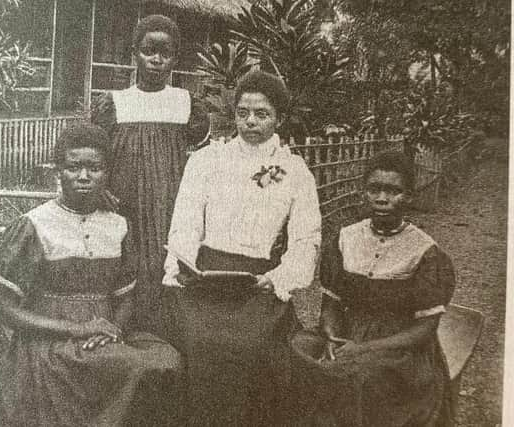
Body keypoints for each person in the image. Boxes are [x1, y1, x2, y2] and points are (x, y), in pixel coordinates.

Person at [0, 123, 183, 427]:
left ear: (107, 173)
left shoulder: (118, 225)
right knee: (136, 366)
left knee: (165, 359)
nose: (83, 177)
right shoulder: (35, 225)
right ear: (58, 171)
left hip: (106, 336)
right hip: (49, 342)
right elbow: (6, 309)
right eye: (73, 167)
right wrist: (75, 329)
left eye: (94, 168)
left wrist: (112, 331)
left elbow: (125, 296)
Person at [162, 70, 322, 426]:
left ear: (279, 117)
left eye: (262, 114)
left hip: (257, 284)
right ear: (233, 114)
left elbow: (305, 241)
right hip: (204, 280)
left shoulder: (294, 171)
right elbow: (185, 224)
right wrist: (180, 269)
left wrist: (277, 278)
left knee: (249, 349)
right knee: (198, 344)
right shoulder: (205, 160)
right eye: (243, 113)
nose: (251, 121)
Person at [289, 151, 455, 426]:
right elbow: (332, 302)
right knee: (297, 349)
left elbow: (425, 329)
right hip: (347, 332)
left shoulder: (425, 252)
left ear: (410, 196)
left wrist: (367, 349)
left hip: (399, 344)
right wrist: (332, 335)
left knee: (362, 375)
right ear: (363, 192)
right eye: (374, 189)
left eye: (393, 191)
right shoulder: (346, 237)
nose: (382, 198)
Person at [90, 14, 210, 336]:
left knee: (166, 267)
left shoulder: (186, 104)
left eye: (165, 53)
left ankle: (165, 343)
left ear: (174, 58)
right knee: (127, 269)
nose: (157, 60)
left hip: (170, 206)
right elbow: (93, 152)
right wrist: (99, 189)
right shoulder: (116, 103)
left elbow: (204, 160)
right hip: (124, 206)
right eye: (148, 50)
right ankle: (121, 340)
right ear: (135, 53)